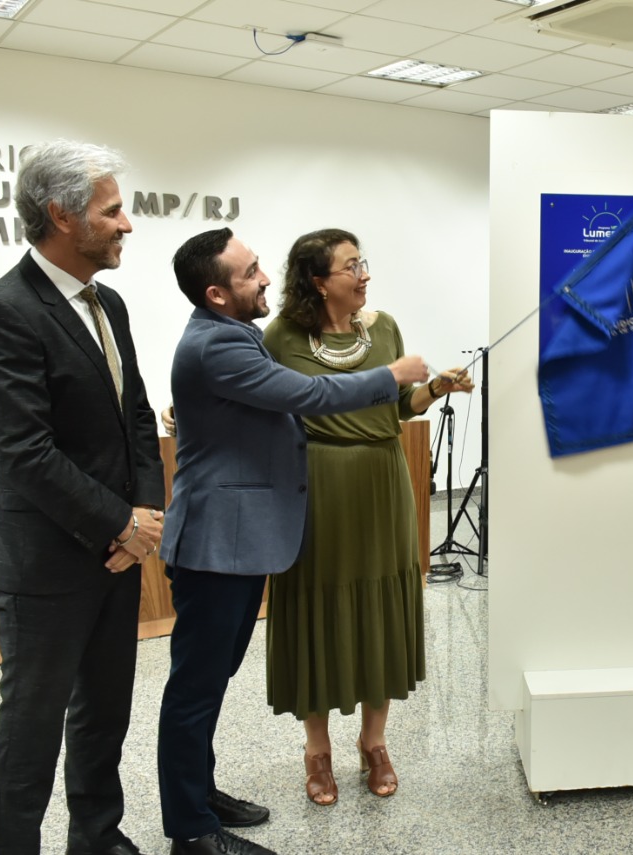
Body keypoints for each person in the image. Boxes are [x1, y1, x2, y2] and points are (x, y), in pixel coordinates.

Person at [156, 227, 429, 855]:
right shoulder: (221, 345)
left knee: (210, 681)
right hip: (217, 544)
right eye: (251, 272)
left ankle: (201, 792)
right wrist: (389, 376)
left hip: (245, 539)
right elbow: (308, 393)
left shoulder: (233, 334)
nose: (264, 279)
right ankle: (191, 831)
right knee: (195, 689)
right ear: (217, 293)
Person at [0, 140, 165, 855]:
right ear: (61, 216)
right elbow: (25, 454)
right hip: (46, 563)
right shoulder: (2, 313)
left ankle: (97, 836)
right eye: (111, 211)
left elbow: (136, 415)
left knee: (104, 714)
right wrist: (118, 521)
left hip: (117, 555)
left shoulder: (111, 306)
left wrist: (145, 518)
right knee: (31, 732)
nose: (126, 224)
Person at [261, 229, 472, 806]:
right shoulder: (281, 335)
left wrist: (434, 388)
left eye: (364, 262)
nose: (364, 275)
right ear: (317, 280)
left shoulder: (383, 327)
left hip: (383, 479)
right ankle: (317, 750)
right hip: (317, 484)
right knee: (315, 605)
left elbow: (400, 405)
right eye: (352, 266)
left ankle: (375, 743)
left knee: (382, 601)